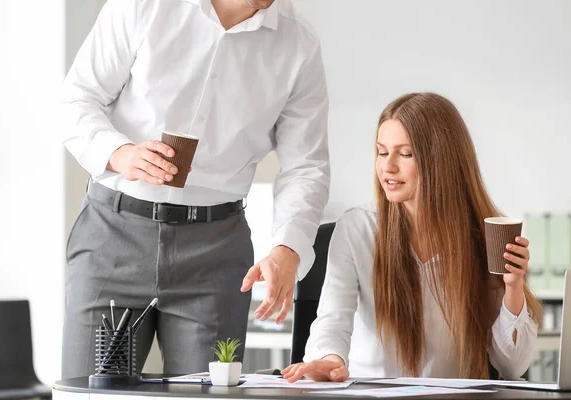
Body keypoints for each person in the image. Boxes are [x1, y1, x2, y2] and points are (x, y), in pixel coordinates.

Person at [60, 0, 329, 378]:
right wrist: (119, 153)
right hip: (113, 236)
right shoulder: (144, 5)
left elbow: (306, 165)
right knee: (93, 391)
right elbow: (77, 98)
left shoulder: (299, 44)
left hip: (216, 256)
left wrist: (288, 248)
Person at [282, 92, 542, 382]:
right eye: (382, 152)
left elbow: (512, 368)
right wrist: (330, 360)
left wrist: (513, 286)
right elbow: (333, 320)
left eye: (405, 154)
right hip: (369, 393)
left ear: (441, 160)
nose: (388, 167)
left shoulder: (483, 235)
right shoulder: (357, 227)